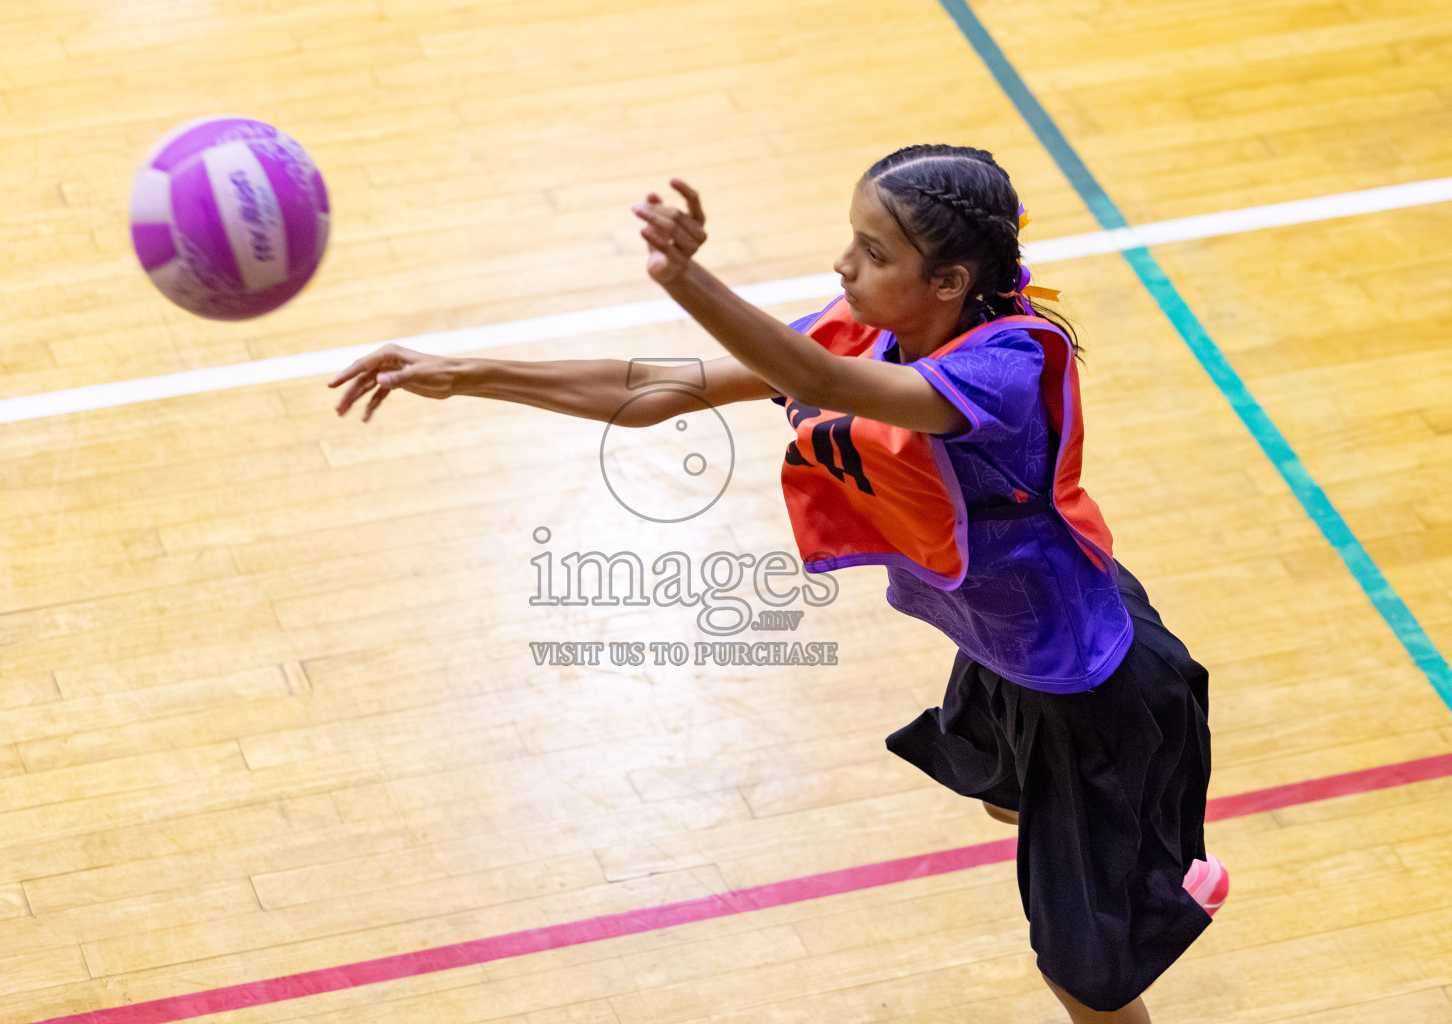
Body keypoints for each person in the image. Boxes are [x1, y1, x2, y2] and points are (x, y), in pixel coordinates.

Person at [329, 143, 1226, 1022]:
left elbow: (817, 379)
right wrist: (467, 373)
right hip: (1004, 647)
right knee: (1002, 798)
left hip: (1088, 681)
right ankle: (1146, 854)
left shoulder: (1004, 371)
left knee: (1085, 980)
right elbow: (662, 392)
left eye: (873, 253)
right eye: (852, 238)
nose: (843, 264)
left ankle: (1156, 863)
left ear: (950, 281)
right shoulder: (873, 329)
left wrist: (685, 277)